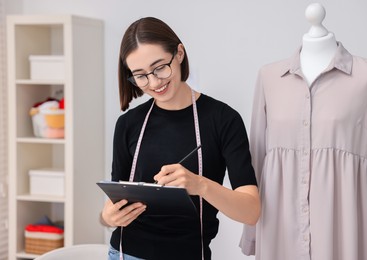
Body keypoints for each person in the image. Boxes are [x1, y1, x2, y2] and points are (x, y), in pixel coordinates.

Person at [100, 17, 260, 260]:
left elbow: (251, 211)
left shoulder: (223, 120)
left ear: (179, 53)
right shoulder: (128, 124)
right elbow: (115, 202)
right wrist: (107, 217)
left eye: (160, 67)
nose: (154, 82)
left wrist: (200, 185)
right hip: (125, 254)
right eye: (141, 75)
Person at [240, 3, 367, 260]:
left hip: (345, 229)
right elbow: (256, 160)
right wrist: (250, 231)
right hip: (280, 228)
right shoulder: (269, 77)